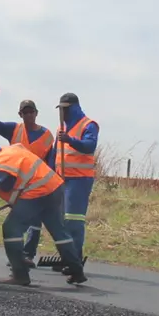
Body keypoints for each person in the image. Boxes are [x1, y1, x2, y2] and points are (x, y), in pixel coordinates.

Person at [0, 140, 86, 286]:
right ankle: (77, 271)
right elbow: (20, 180)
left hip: (37, 192)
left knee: (11, 228)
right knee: (58, 231)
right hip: (54, 187)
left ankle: (20, 275)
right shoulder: (11, 151)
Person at [0, 86, 55, 258]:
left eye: (31, 112)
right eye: (25, 113)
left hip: (37, 183)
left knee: (35, 221)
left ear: (36, 113)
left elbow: (51, 162)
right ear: (20, 115)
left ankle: (27, 254)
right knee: (17, 220)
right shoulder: (14, 129)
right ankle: (18, 255)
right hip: (16, 183)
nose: (28, 115)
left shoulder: (47, 136)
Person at [53, 93, 99, 261]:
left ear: (74, 108)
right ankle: (67, 256)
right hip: (61, 179)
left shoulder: (88, 125)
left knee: (73, 221)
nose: (63, 113)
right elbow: (54, 154)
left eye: (65, 109)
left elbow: (89, 146)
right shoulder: (60, 128)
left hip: (79, 180)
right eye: (61, 110)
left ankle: (75, 259)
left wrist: (70, 140)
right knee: (61, 221)